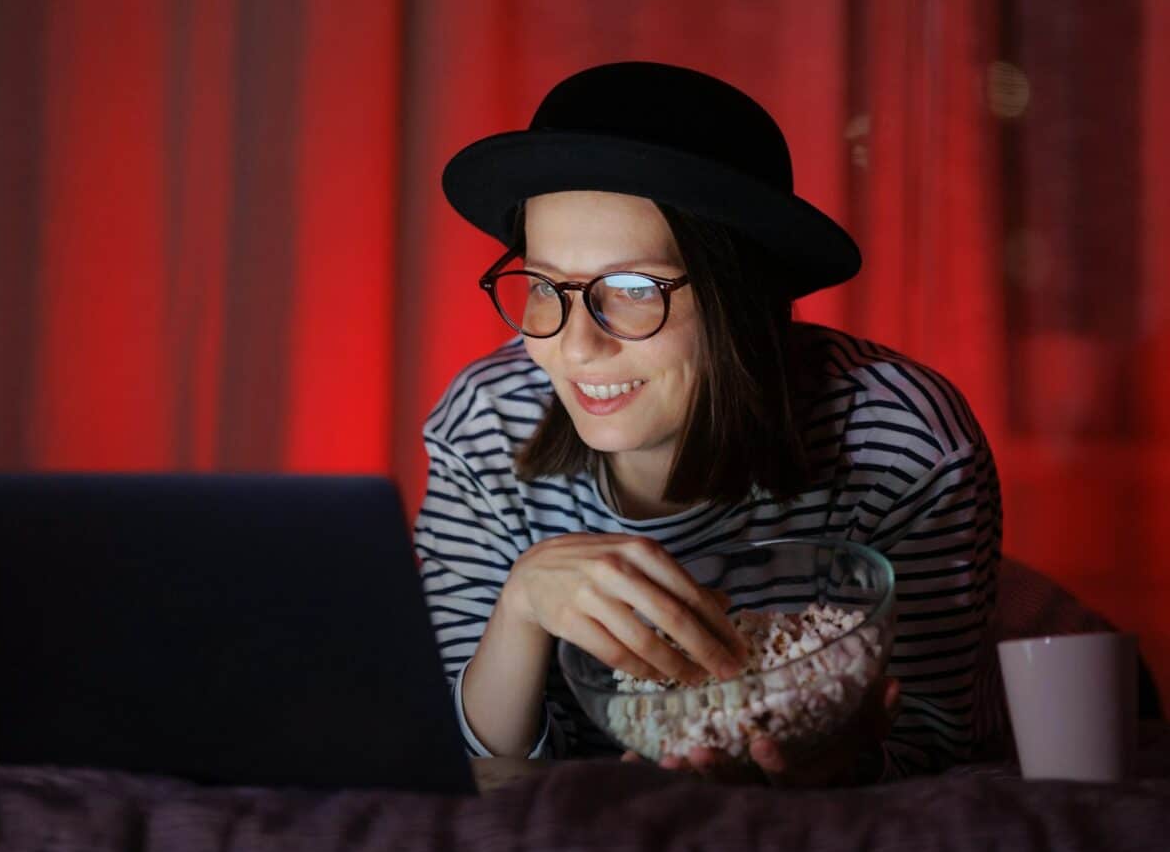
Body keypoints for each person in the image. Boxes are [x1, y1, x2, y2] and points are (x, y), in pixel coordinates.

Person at [414, 61, 1001, 785]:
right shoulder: (485, 420)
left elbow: (936, 746)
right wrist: (521, 607)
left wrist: (828, 767)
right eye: (543, 285)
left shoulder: (904, 440)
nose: (575, 345)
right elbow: (451, 763)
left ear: (740, 297)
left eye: (633, 288)